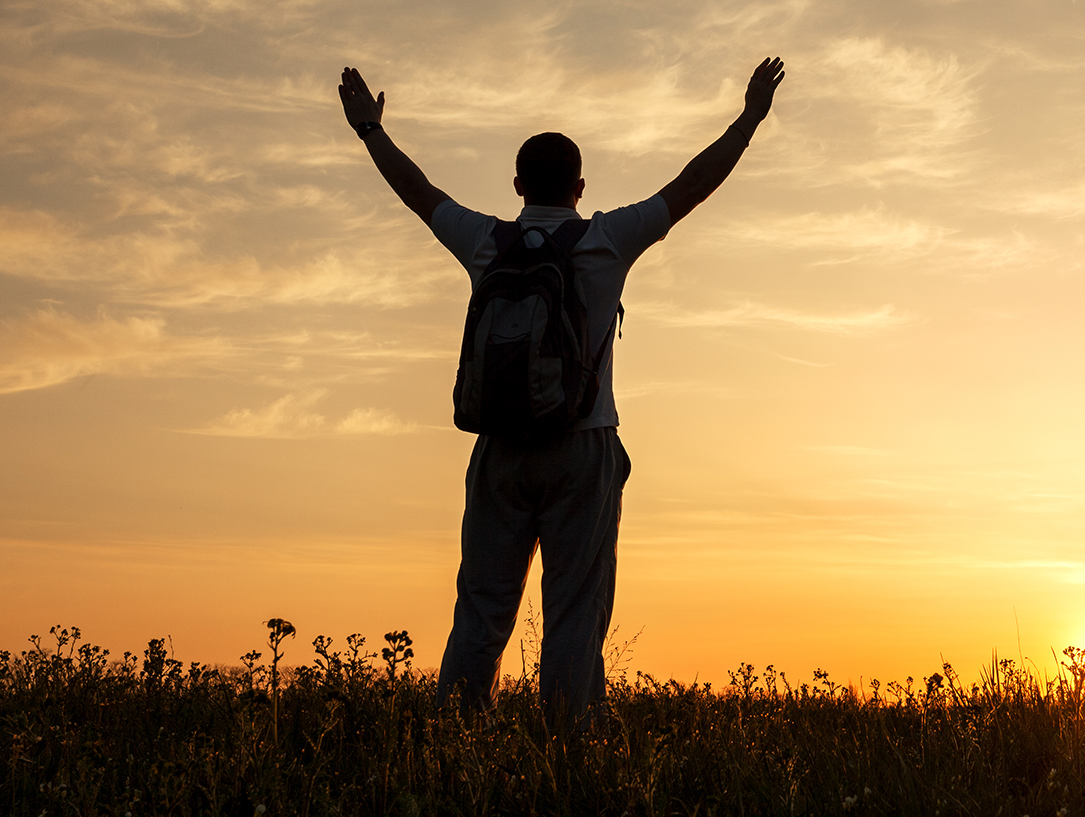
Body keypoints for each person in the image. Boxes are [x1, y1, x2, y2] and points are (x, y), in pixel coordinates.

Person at [336, 57, 786, 719]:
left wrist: (370, 130)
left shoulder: (487, 241)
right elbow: (692, 183)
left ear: (517, 184)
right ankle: (568, 758)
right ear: (580, 185)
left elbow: (418, 190)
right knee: (574, 614)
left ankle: (455, 746)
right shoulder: (605, 240)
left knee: (482, 608)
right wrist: (748, 119)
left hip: (499, 449)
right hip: (583, 445)